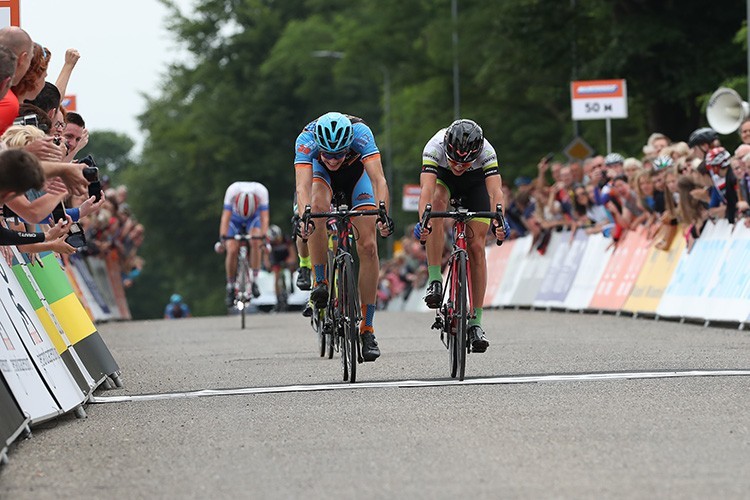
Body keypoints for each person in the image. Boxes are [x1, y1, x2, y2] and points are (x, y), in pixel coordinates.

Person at [294, 111, 393, 362]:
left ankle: (367, 328)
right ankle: (321, 282)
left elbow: (379, 180)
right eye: (327, 153)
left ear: (349, 145)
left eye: (338, 154)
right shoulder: (306, 139)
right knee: (315, 210)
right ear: (319, 146)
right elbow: (302, 187)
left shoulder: (362, 134)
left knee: (369, 246)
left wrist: (383, 214)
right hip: (321, 179)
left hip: (356, 177)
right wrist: (304, 217)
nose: (333, 159)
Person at [416, 119, 509, 353]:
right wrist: (423, 221)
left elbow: (495, 191)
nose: (458, 165)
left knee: (476, 246)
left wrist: (499, 220)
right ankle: (435, 279)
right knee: (435, 203)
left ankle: (476, 323)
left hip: (474, 184)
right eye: (454, 160)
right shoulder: (434, 147)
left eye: (465, 161)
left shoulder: (487, 151)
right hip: (443, 182)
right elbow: (425, 191)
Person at [216, 181, 270, 307]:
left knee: (256, 241)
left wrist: (264, 239)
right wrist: (223, 239)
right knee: (232, 249)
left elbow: (264, 218)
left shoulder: (262, 191)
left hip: (254, 218)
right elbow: (225, 218)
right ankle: (230, 286)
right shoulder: (232, 190)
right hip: (235, 219)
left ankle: (254, 280)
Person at [265, 224, 296, 311]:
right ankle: (278, 298)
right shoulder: (269, 242)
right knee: (276, 276)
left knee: (291, 265)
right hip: (275, 258)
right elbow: (266, 255)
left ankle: (291, 281)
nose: (277, 242)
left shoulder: (286, 239)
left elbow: (292, 252)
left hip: (286, 256)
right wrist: (268, 264)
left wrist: (292, 261)